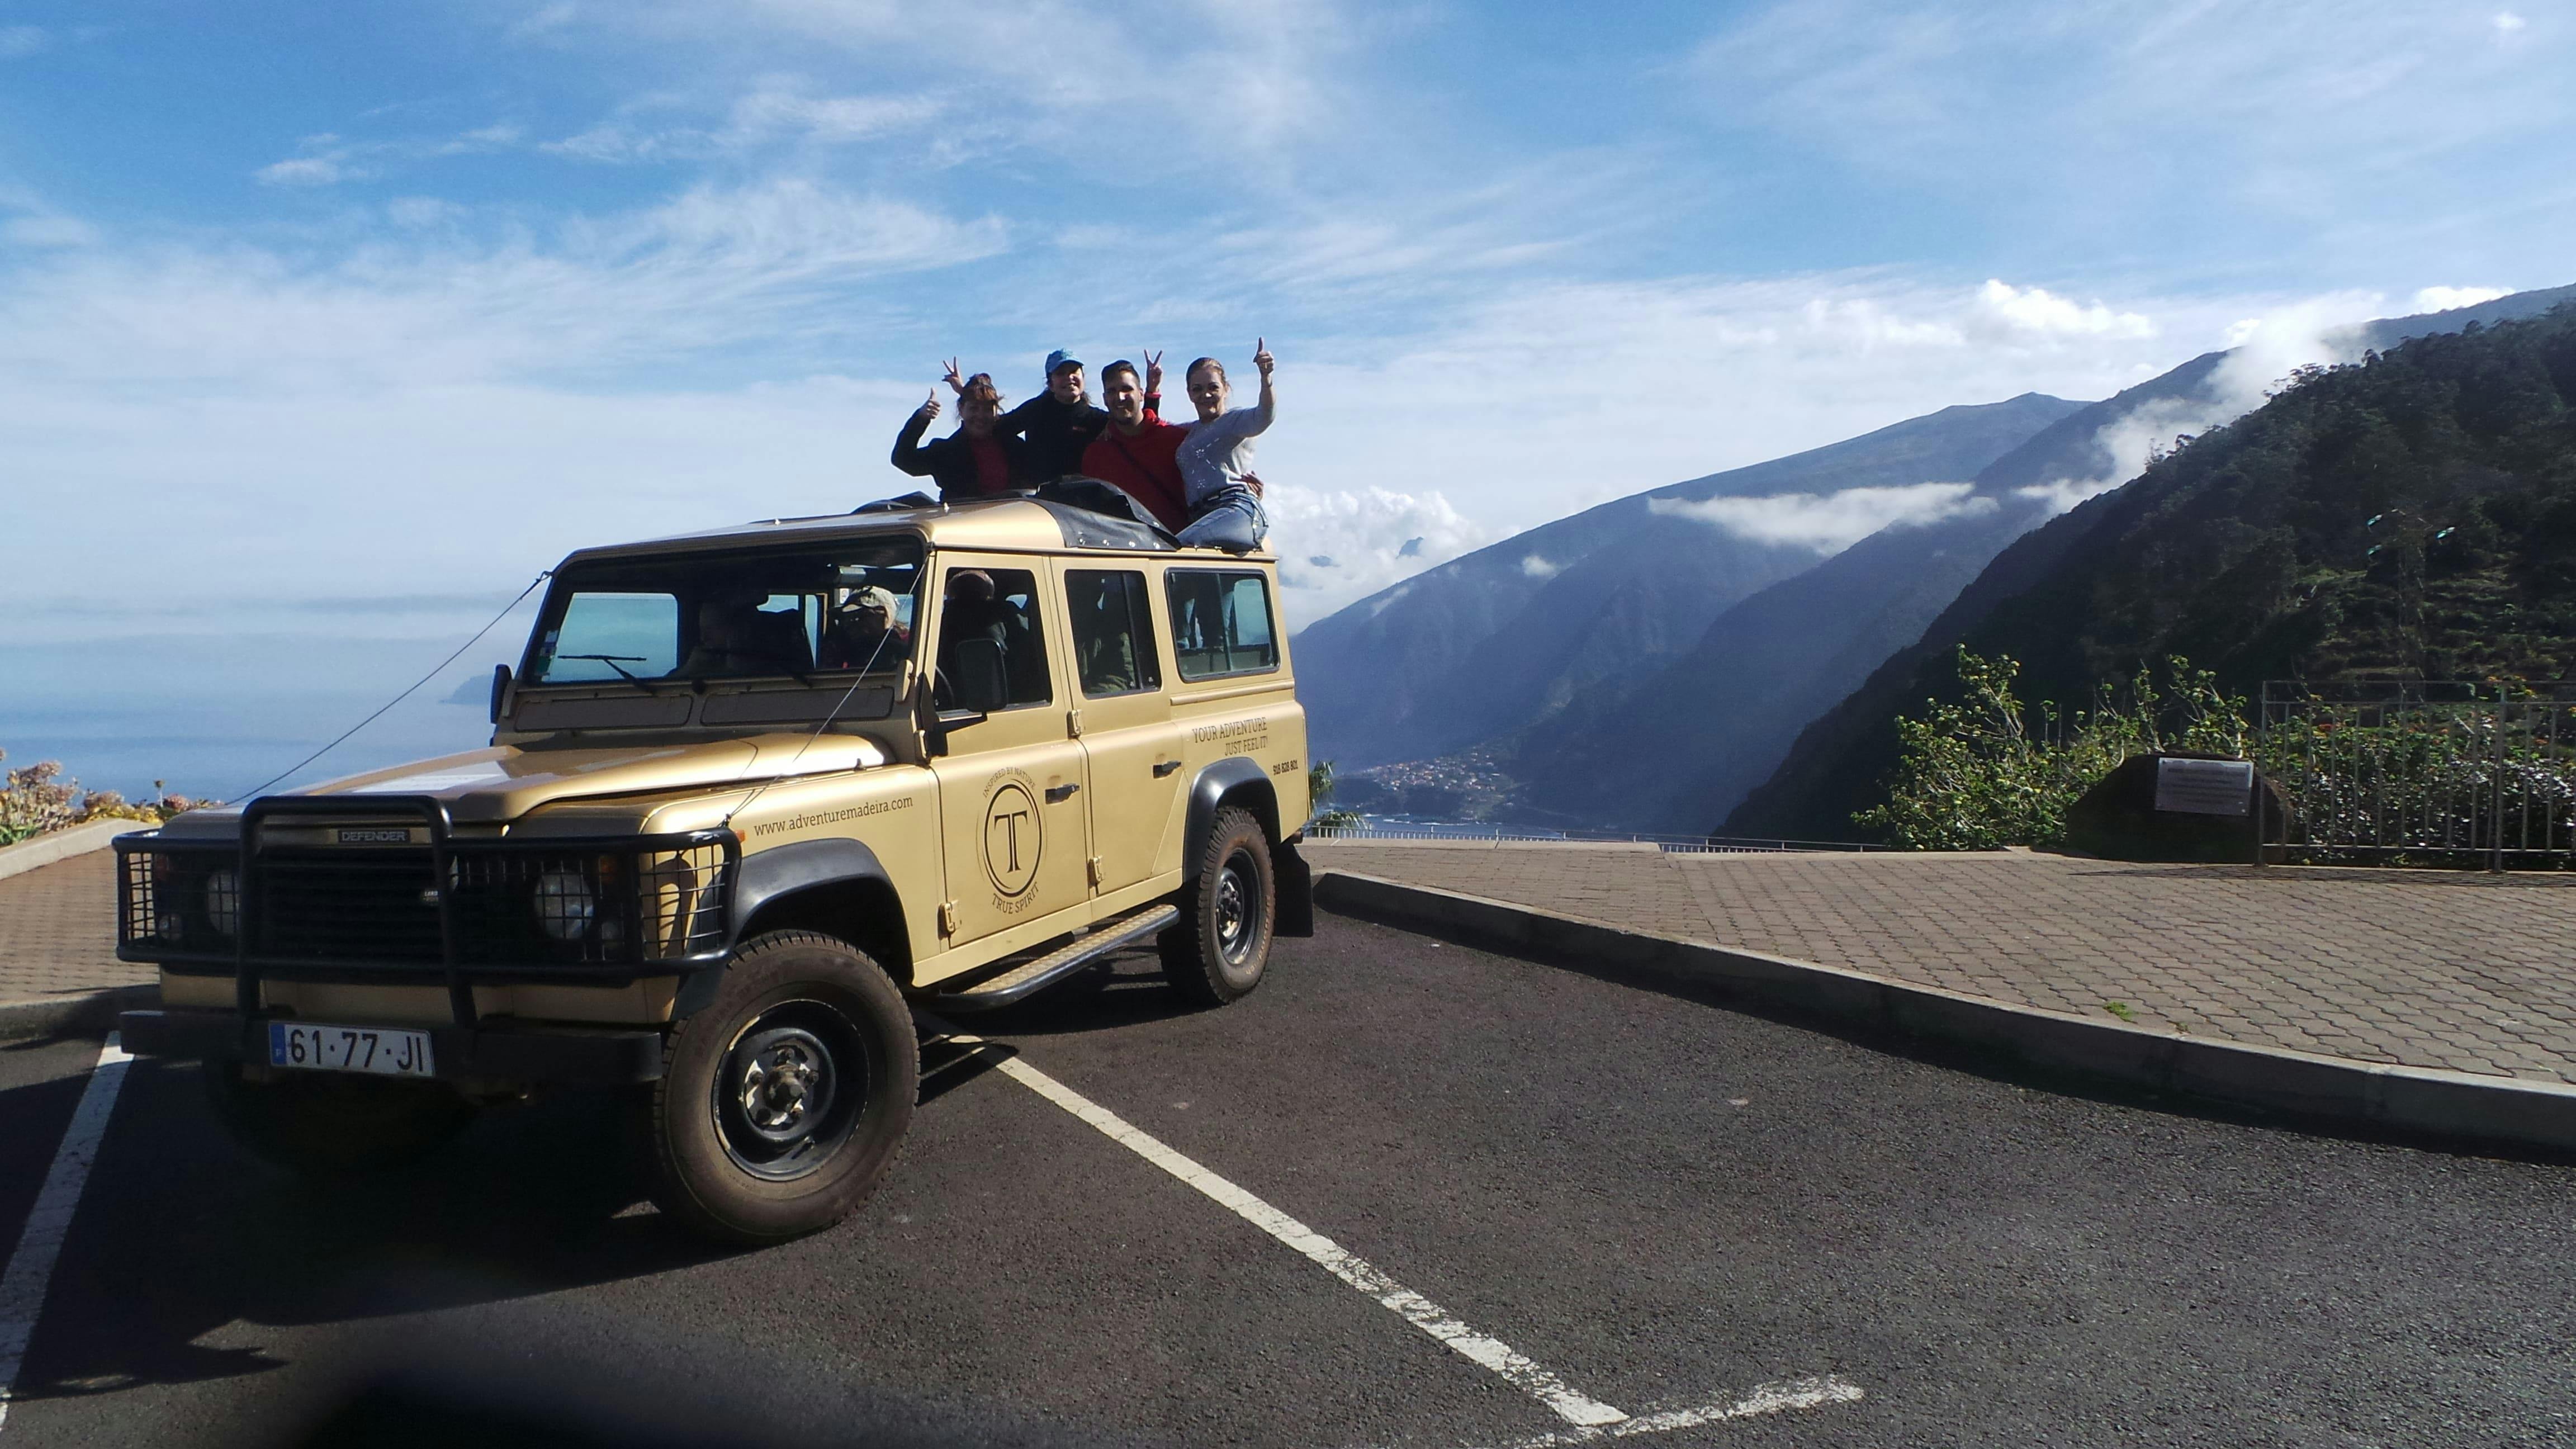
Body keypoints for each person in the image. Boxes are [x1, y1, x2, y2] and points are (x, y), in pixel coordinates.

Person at [978, 348, 1155, 482]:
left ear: (1083, 378)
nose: (1069, 377)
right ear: (1050, 383)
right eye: (1061, 373)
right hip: (1041, 507)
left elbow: (1138, 427)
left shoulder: (1099, 420)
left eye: (1074, 372)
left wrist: (1152, 392)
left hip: (1083, 508)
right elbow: (995, 428)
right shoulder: (1035, 410)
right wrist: (973, 394)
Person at [1173, 340, 1274, 552]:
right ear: (1189, 393)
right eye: (1197, 389)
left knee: (1176, 548)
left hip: (1236, 510)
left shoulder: (1235, 421)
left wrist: (1266, 379)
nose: (1206, 395)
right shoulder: (1189, 432)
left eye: (1213, 387)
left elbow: (1264, 415)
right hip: (1201, 516)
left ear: (1226, 389)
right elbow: (1155, 430)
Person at [1078, 355, 1189, 531]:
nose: (1120, 397)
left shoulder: (1176, 440)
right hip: (1124, 553)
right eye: (1112, 391)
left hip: (1177, 550)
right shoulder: (1096, 454)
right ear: (1105, 399)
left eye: (1127, 389)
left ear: (1141, 394)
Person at [891, 372, 1032, 501]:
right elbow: (903, 459)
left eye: (987, 409)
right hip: (963, 524)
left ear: (996, 412)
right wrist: (921, 418)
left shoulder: (1016, 447)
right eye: (974, 409)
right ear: (961, 409)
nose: (980, 416)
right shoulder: (947, 452)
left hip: (1012, 523)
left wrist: (966, 390)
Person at [818, 586, 908, 671]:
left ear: (885, 616)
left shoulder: (901, 652)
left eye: (862, 616)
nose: (852, 623)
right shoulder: (844, 649)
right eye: (847, 618)